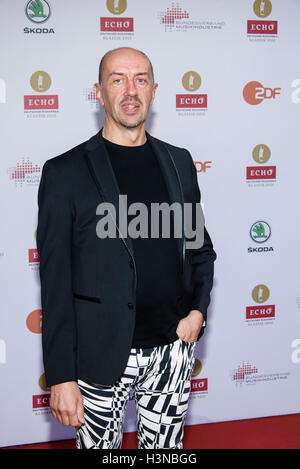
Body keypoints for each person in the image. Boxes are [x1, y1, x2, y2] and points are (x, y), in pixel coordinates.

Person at [36, 47, 216, 449]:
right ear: (99, 93)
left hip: (172, 350)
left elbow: (200, 249)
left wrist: (197, 312)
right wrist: (61, 376)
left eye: (141, 79)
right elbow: (55, 283)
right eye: (118, 79)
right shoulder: (64, 172)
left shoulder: (179, 162)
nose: (130, 90)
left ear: (154, 91)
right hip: (99, 357)